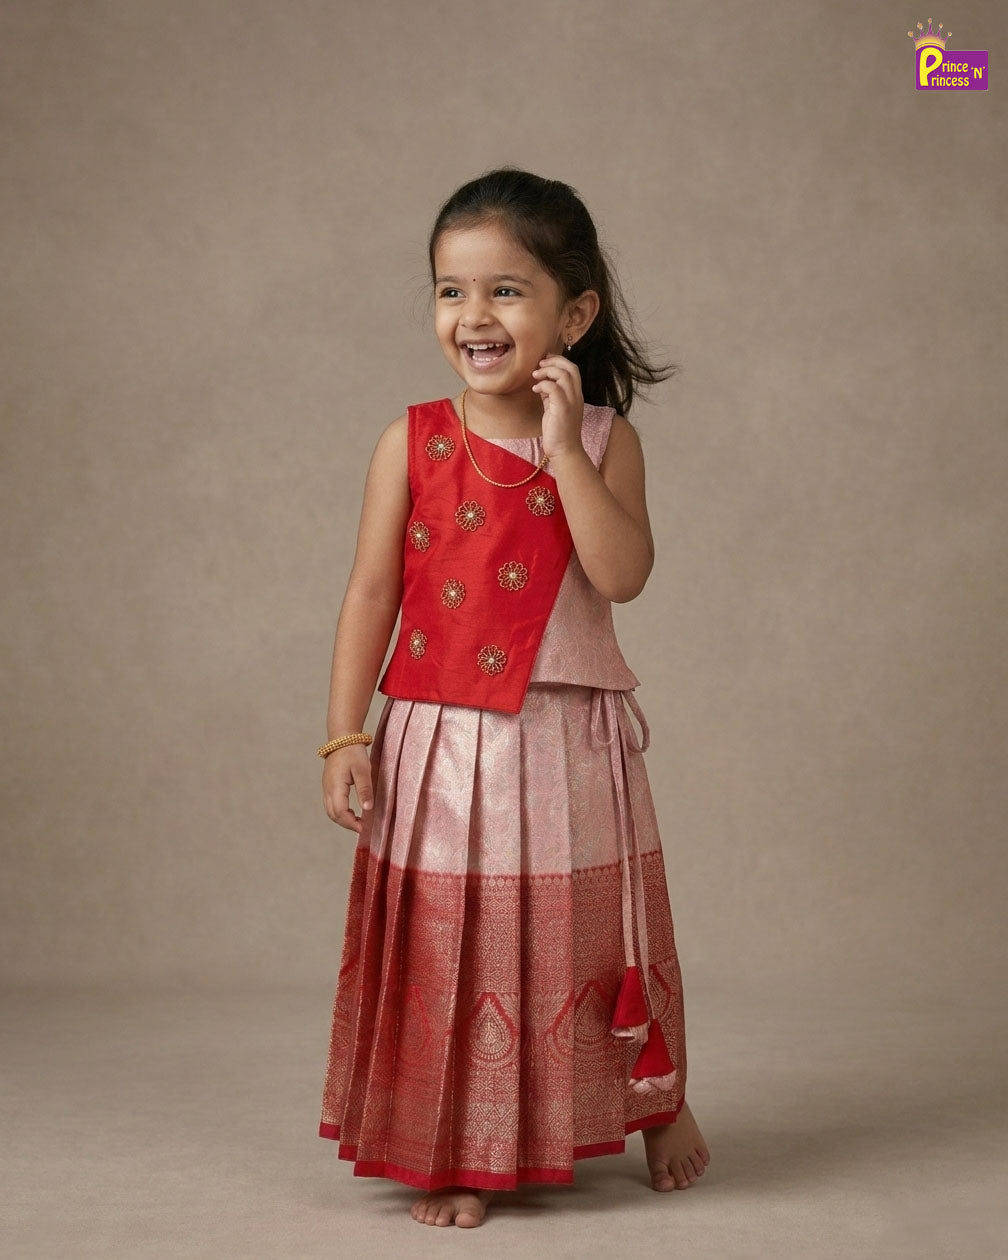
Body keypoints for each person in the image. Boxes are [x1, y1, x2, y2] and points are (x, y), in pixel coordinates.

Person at [316, 167, 711, 1228]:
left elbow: (623, 572)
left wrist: (561, 453)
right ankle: (455, 1142)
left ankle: (657, 1099)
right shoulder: (408, 441)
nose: (472, 316)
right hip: (441, 743)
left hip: (569, 742)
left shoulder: (603, 441)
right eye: (451, 290)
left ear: (572, 315)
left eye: (505, 291)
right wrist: (344, 736)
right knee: (458, 942)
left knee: (598, 938)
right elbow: (370, 594)